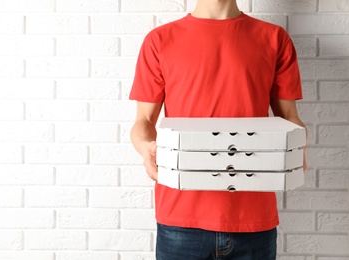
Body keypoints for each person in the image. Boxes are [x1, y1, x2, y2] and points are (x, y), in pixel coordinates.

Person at [129, 0, 307, 259]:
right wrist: (147, 148)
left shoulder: (274, 38)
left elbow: (290, 118)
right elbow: (143, 121)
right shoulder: (159, 40)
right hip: (181, 218)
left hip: (253, 217)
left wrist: (297, 146)